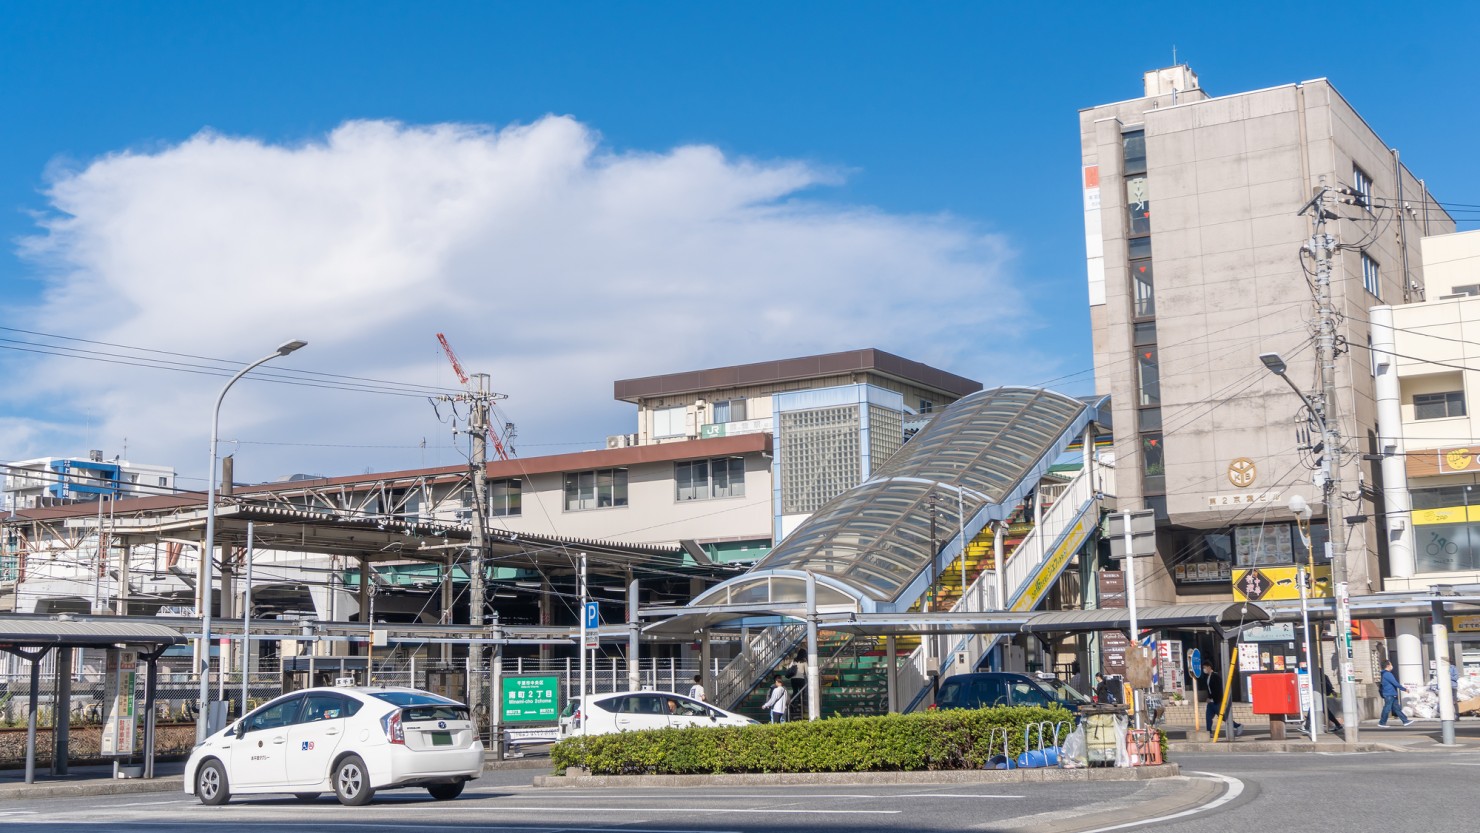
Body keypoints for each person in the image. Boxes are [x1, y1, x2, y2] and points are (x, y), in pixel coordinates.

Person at [1202, 666, 1242, 737]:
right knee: (1208, 717)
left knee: (1223, 717)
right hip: (1210, 702)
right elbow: (1209, 689)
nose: (1204, 669)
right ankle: (1209, 732)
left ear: (1209, 667)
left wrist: (1211, 697)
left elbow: (1217, 689)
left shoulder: (1215, 676)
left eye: (1205, 667)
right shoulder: (1207, 677)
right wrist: (1209, 697)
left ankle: (1238, 726)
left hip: (1216, 701)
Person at [1377, 660, 1414, 727]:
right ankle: (1382, 723)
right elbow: (1395, 683)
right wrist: (1404, 689)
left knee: (1397, 708)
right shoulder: (1387, 674)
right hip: (1389, 694)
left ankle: (1405, 721)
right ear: (1388, 666)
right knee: (1387, 709)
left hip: (1391, 694)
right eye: (1391, 664)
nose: (1392, 666)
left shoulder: (1384, 674)